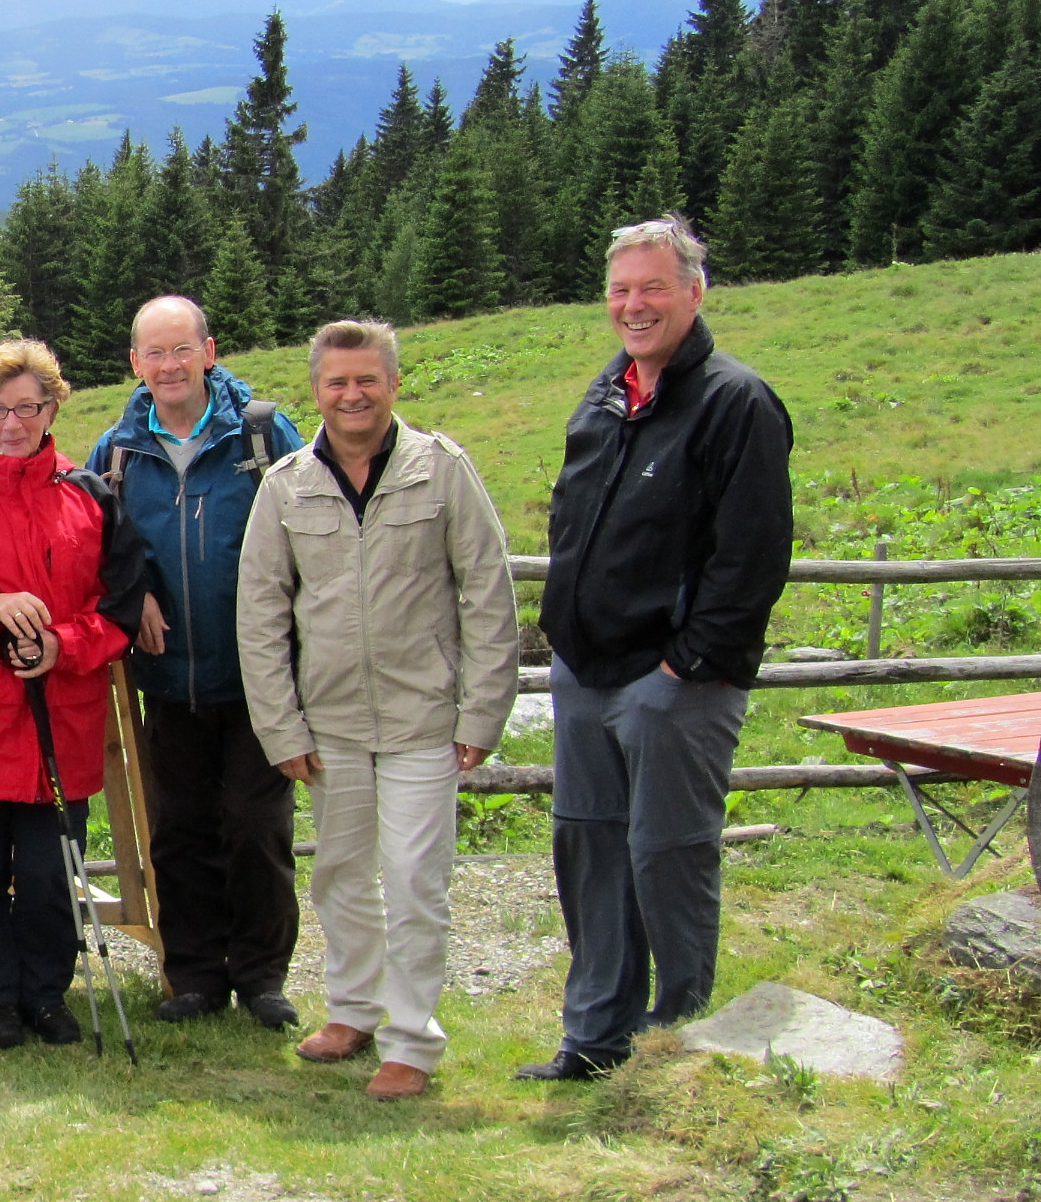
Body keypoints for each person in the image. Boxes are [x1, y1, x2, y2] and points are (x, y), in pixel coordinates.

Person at [520, 215, 793, 1082]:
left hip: (674, 684)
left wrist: (681, 668)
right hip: (586, 676)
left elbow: (750, 559)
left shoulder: (732, 402)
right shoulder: (606, 396)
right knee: (591, 855)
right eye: (621, 291)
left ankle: (675, 1048)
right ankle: (594, 1041)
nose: (634, 306)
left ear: (695, 293)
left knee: (668, 857)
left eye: (653, 289)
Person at [236, 321, 518, 1100]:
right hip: (329, 726)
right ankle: (353, 1011)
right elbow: (260, 614)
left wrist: (482, 712)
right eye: (337, 382)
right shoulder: (287, 485)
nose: (352, 395)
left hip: (424, 718)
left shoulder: (443, 472)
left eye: (367, 380)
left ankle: (411, 1042)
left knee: (416, 879)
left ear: (393, 383)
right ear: (317, 389)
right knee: (341, 879)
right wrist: (280, 727)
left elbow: (487, 595)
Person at [0, 340, 147, 1048]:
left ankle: (46, 993)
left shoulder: (90, 495)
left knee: (48, 876)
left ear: (52, 408)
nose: (12, 423)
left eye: (27, 407)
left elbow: (122, 610)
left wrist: (61, 647)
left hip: (59, 722)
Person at [88, 297, 307, 1029]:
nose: (170, 366)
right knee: (178, 828)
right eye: (155, 354)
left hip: (260, 675)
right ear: (136, 364)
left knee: (255, 826)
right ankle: (193, 977)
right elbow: (99, 548)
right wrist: (132, 595)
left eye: (182, 350)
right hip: (165, 677)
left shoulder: (263, 434)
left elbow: (311, 531)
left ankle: (262, 976)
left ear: (209, 352)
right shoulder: (116, 451)